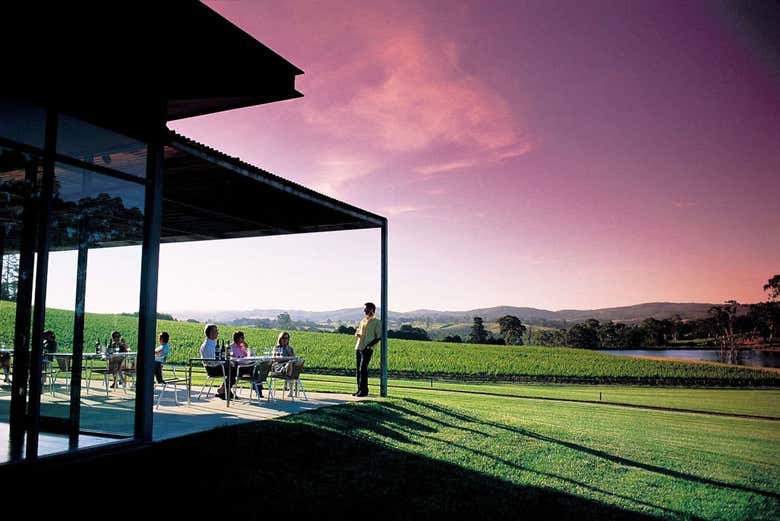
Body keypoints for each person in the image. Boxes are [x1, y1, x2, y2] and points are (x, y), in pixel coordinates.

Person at [354, 302, 380, 397]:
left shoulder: (377, 322)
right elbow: (358, 331)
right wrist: (357, 334)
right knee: (358, 370)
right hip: (359, 347)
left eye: (366, 309)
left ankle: (364, 391)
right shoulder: (363, 321)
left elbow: (379, 337)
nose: (365, 310)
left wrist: (369, 346)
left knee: (363, 369)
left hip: (367, 348)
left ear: (372, 310)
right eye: (365, 309)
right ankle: (359, 390)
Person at [200, 324, 233, 400]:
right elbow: (213, 361)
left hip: (217, 367)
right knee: (234, 370)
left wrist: (226, 361)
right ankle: (223, 389)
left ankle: (224, 390)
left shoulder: (213, 343)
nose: (218, 333)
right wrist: (224, 362)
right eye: (216, 331)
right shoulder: (207, 346)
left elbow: (219, 357)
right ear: (211, 333)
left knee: (235, 368)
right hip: (213, 369)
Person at [271, 331, 297, 396]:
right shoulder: (276, 348)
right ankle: (290, 387)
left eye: (286, 338)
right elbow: (274, 359)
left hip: (289, 366)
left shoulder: (290, 348)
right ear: (280, 339)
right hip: (278, 366)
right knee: (290, 363)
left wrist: (288, 352)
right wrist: (288, 358)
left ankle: (287, 382)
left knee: (290, 364)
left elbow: (295, 358)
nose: (285, 340)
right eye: (283, 338)